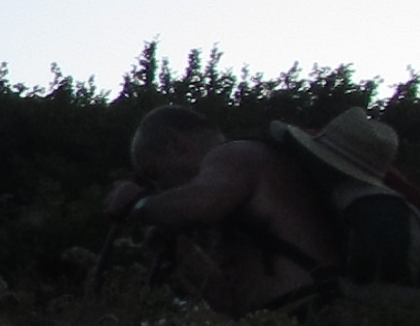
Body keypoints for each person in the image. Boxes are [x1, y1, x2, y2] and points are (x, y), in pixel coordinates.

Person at [102, 105, 347, 314]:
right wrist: (181, 251)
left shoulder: (235, 154)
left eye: (154, 175)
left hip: (319, 312)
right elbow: (229, 304)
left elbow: (200, 207)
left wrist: (139, 202)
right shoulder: (230, 207)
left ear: (173, 143)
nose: (160, 188)